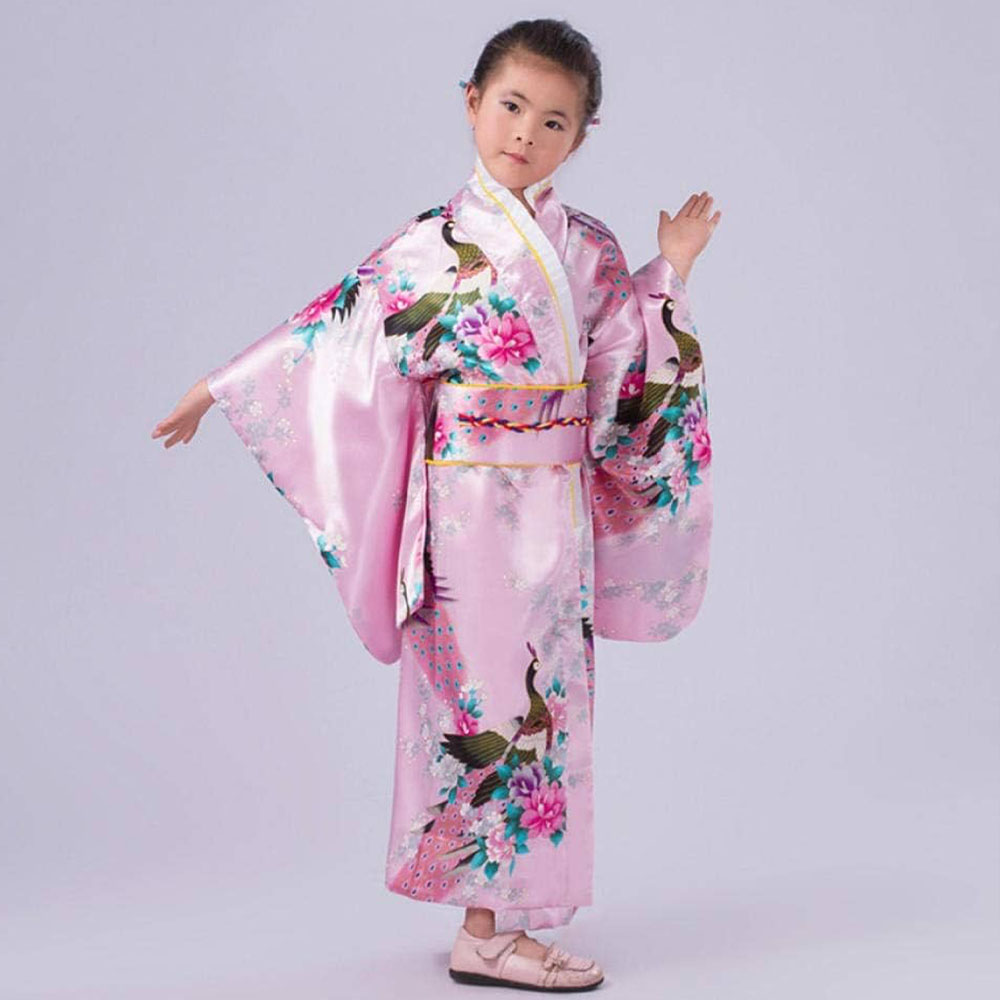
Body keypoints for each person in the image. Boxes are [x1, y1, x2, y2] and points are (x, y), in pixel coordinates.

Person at [152, 17, 719, 994]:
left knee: (546, 715)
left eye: (554, 121)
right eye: (511, 106)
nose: (525, 132)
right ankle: (486, 932)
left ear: (580, 137)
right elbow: (333, 332)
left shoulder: (587, 248)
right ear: (471, 103)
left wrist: (669, 271)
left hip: (556, 516)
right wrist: (222, 387)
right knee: (485, 707)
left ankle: (500, 921)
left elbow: (623, 368)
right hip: (466, 522)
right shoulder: (428, 248)